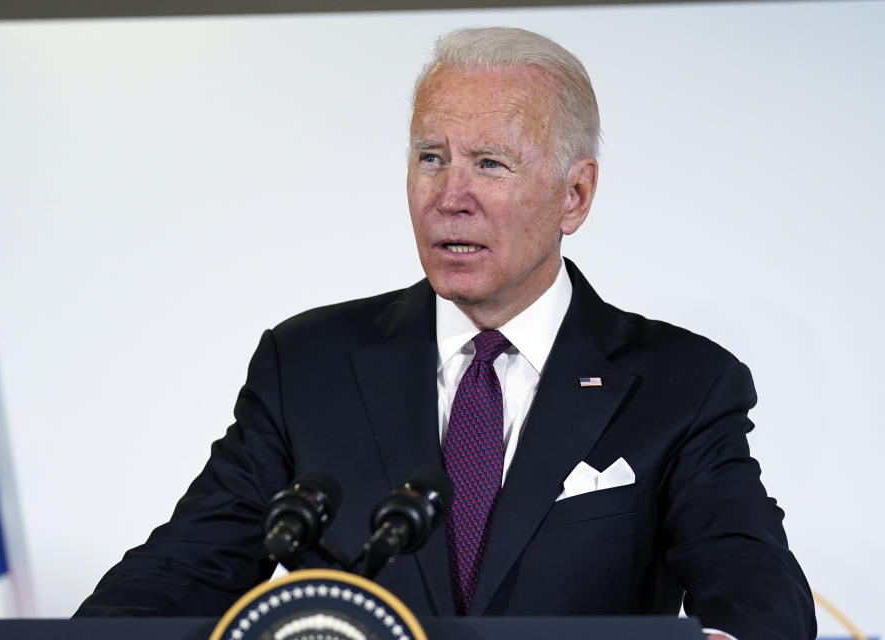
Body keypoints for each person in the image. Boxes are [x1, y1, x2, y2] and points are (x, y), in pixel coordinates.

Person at [77, 27, 816, 639]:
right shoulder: (308, 365)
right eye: (432, 158)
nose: (449, 196)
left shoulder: (682, 384)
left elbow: (752, 585)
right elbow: (191, 566)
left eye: (489, 164)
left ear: (575, 194)